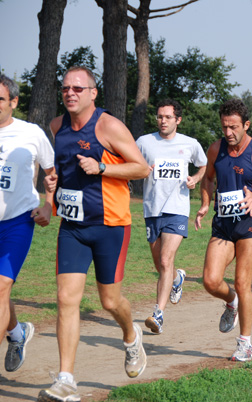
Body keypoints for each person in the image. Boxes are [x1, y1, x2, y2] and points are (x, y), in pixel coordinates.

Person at [39, 66, 150, 402]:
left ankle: (131, 336)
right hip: (72, 227)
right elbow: (55, 171)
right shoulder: (57, 127)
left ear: (92, 93)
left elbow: (143, 167)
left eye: (77, 88)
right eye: (65, 89)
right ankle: (66, 380)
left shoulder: (108, 126)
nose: (70, 93)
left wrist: (103, 168)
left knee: (109, 301)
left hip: (110, 226)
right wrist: (49, 196)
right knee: (65, 299)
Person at [194, 99, 252, 362]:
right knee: (210, 280)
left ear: (246, 125)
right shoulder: (215, 149)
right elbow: (208, 178)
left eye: (234, 127)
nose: (228, 133)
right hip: (223, 223)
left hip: (251, 224)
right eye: (224, 127)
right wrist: (206, 203)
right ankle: (231, 302)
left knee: (243, 282)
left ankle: (246, 344)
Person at [136, 99, 207, 334]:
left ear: (178, 119)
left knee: (166, 259)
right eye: (159, 116)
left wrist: (195, 179)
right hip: (151, 209)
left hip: (177, 209)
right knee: (160, 263)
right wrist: (139, 171)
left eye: (167, 117)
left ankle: (158, 314)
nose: (162, 120)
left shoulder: (190, 144)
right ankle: (177, 279)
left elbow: (204, 166)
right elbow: (132, 164)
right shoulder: (144, 142)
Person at [0, 75, 55, 373]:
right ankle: (17, 334)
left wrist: (49, 204)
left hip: (18, 221)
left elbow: (52, 171)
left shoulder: (31, 133)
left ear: (13, 102)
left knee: (1, 286)